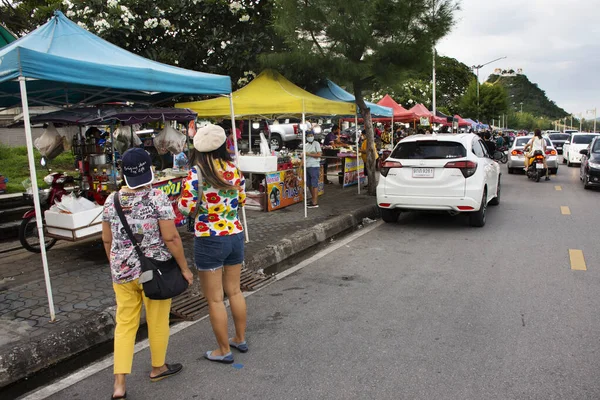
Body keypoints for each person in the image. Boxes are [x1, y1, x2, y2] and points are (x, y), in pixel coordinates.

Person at [102, 148, 194, 400]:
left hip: (122, 272)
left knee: (125, 324)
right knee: (157, 319)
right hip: (155, 272)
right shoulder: (157, 197)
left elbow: (107, 240)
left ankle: (119, 383)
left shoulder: (112, 200)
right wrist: (185, 269)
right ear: (149, 169)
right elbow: (171, 237)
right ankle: (158, 367)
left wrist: (117, 264)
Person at [178, 124, 248, 364]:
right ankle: (239, 338)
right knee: (236, 291)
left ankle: (222, 350)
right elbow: (242, 200)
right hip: (235, 234)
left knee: (216, 299)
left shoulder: (196, 173)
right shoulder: (233, 169)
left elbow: (185, 208)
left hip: (209, 239)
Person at [304, 130, 322, 208]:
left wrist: (309, 154)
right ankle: (313, 199)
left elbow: (319, 154)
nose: (310, 137)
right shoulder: (305, 145)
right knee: (309, 184)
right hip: (307, 166)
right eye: (308, 136)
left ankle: (315, 202)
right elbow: (303, 157)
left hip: (314, 166)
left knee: (314, 184)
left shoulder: (316, 144)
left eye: (311, 135)